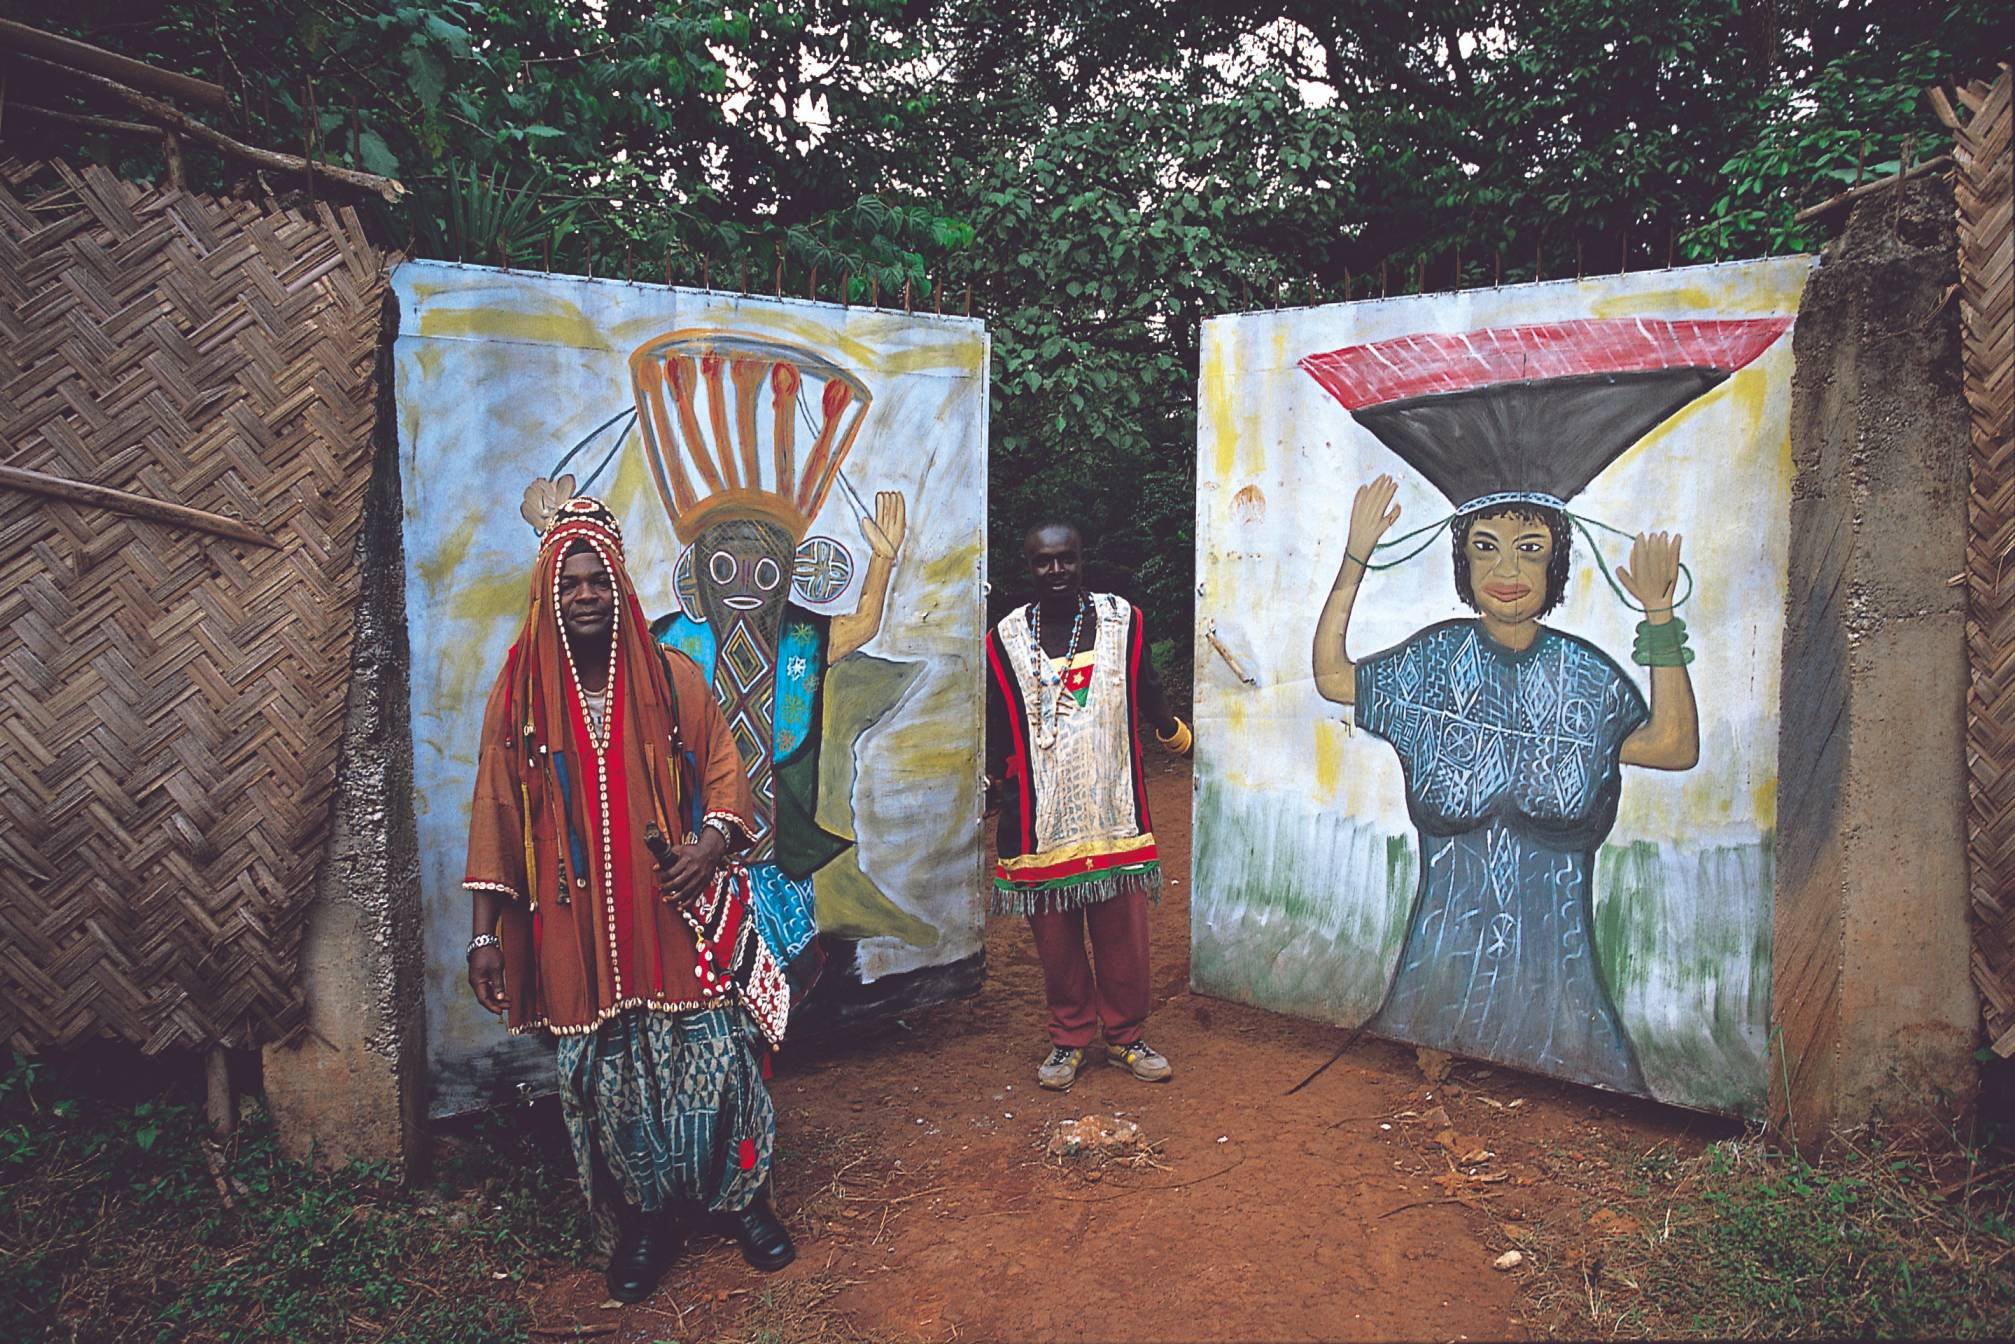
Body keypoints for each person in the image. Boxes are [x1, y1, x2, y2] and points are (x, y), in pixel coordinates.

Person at [463, 491, 796, 1305]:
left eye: (598, 580)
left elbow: (725, 768)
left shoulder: (673, 677)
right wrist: (483, 937)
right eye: (568, 582)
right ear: (548, 592)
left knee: (718, 1063)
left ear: (620, 589)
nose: (583, 595)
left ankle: (745, 1200)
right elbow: (496, 810)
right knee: (608, 1079)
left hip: (675, 915)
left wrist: (707, 845)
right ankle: (648, 1219)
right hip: (580, 934)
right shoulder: (519, 698)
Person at [1311, 476, 1698, 1092]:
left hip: (1564, 1000)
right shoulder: (1431, 664)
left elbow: (1675, 744)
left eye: (1531, 547)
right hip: (1434, 986)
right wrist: (1356, 555)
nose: (1507, 568)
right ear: (1463, 563)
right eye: (1486, 547)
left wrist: (1658, 614)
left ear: (1556, 562)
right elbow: (1334, 676)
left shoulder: (1587, 677)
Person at [984, 521, 1192, 1091]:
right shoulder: (1004, 637)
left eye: (1066, 560)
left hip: (1111, 804)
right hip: (1039, 811)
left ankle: (1127, 1037)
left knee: (1124, 932)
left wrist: (1170, 728)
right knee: (1054, 938)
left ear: (1081, 560)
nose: (1056, 572)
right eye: (1044, 562)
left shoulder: (1124, 621)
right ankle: (1069, 1039)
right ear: (1029, 567)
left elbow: (1145, 685)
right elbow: (1001, 717)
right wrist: (990, 778)